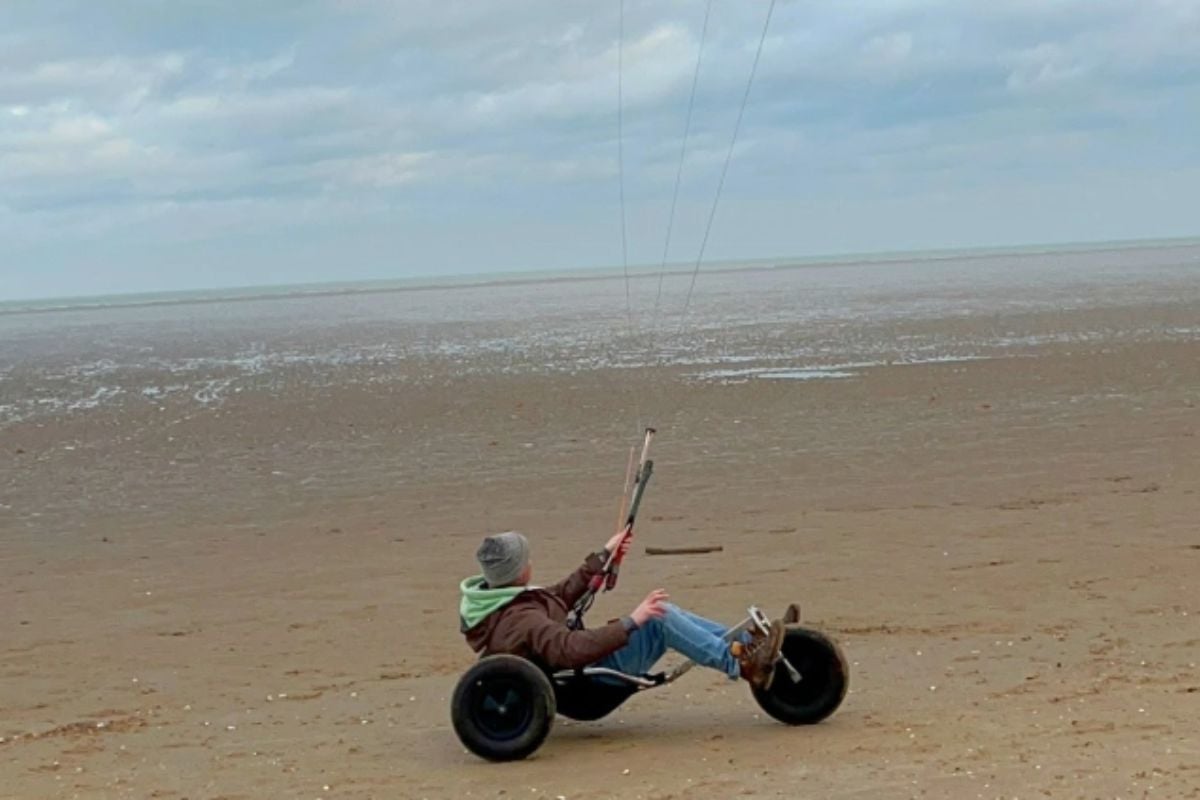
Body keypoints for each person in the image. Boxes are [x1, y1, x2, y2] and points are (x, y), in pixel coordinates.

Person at [458, 530, 791, 689]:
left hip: (583, 671)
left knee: (662, 611)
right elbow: (570, 649)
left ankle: (745, 644)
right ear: (518, 571)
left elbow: (560, 594)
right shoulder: (523, 618)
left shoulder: (504, 600)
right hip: (590, 683)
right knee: (660, 617)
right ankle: (741, 663)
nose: (531, 563)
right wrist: (633, 621)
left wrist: (605, 555)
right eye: (526, 559)